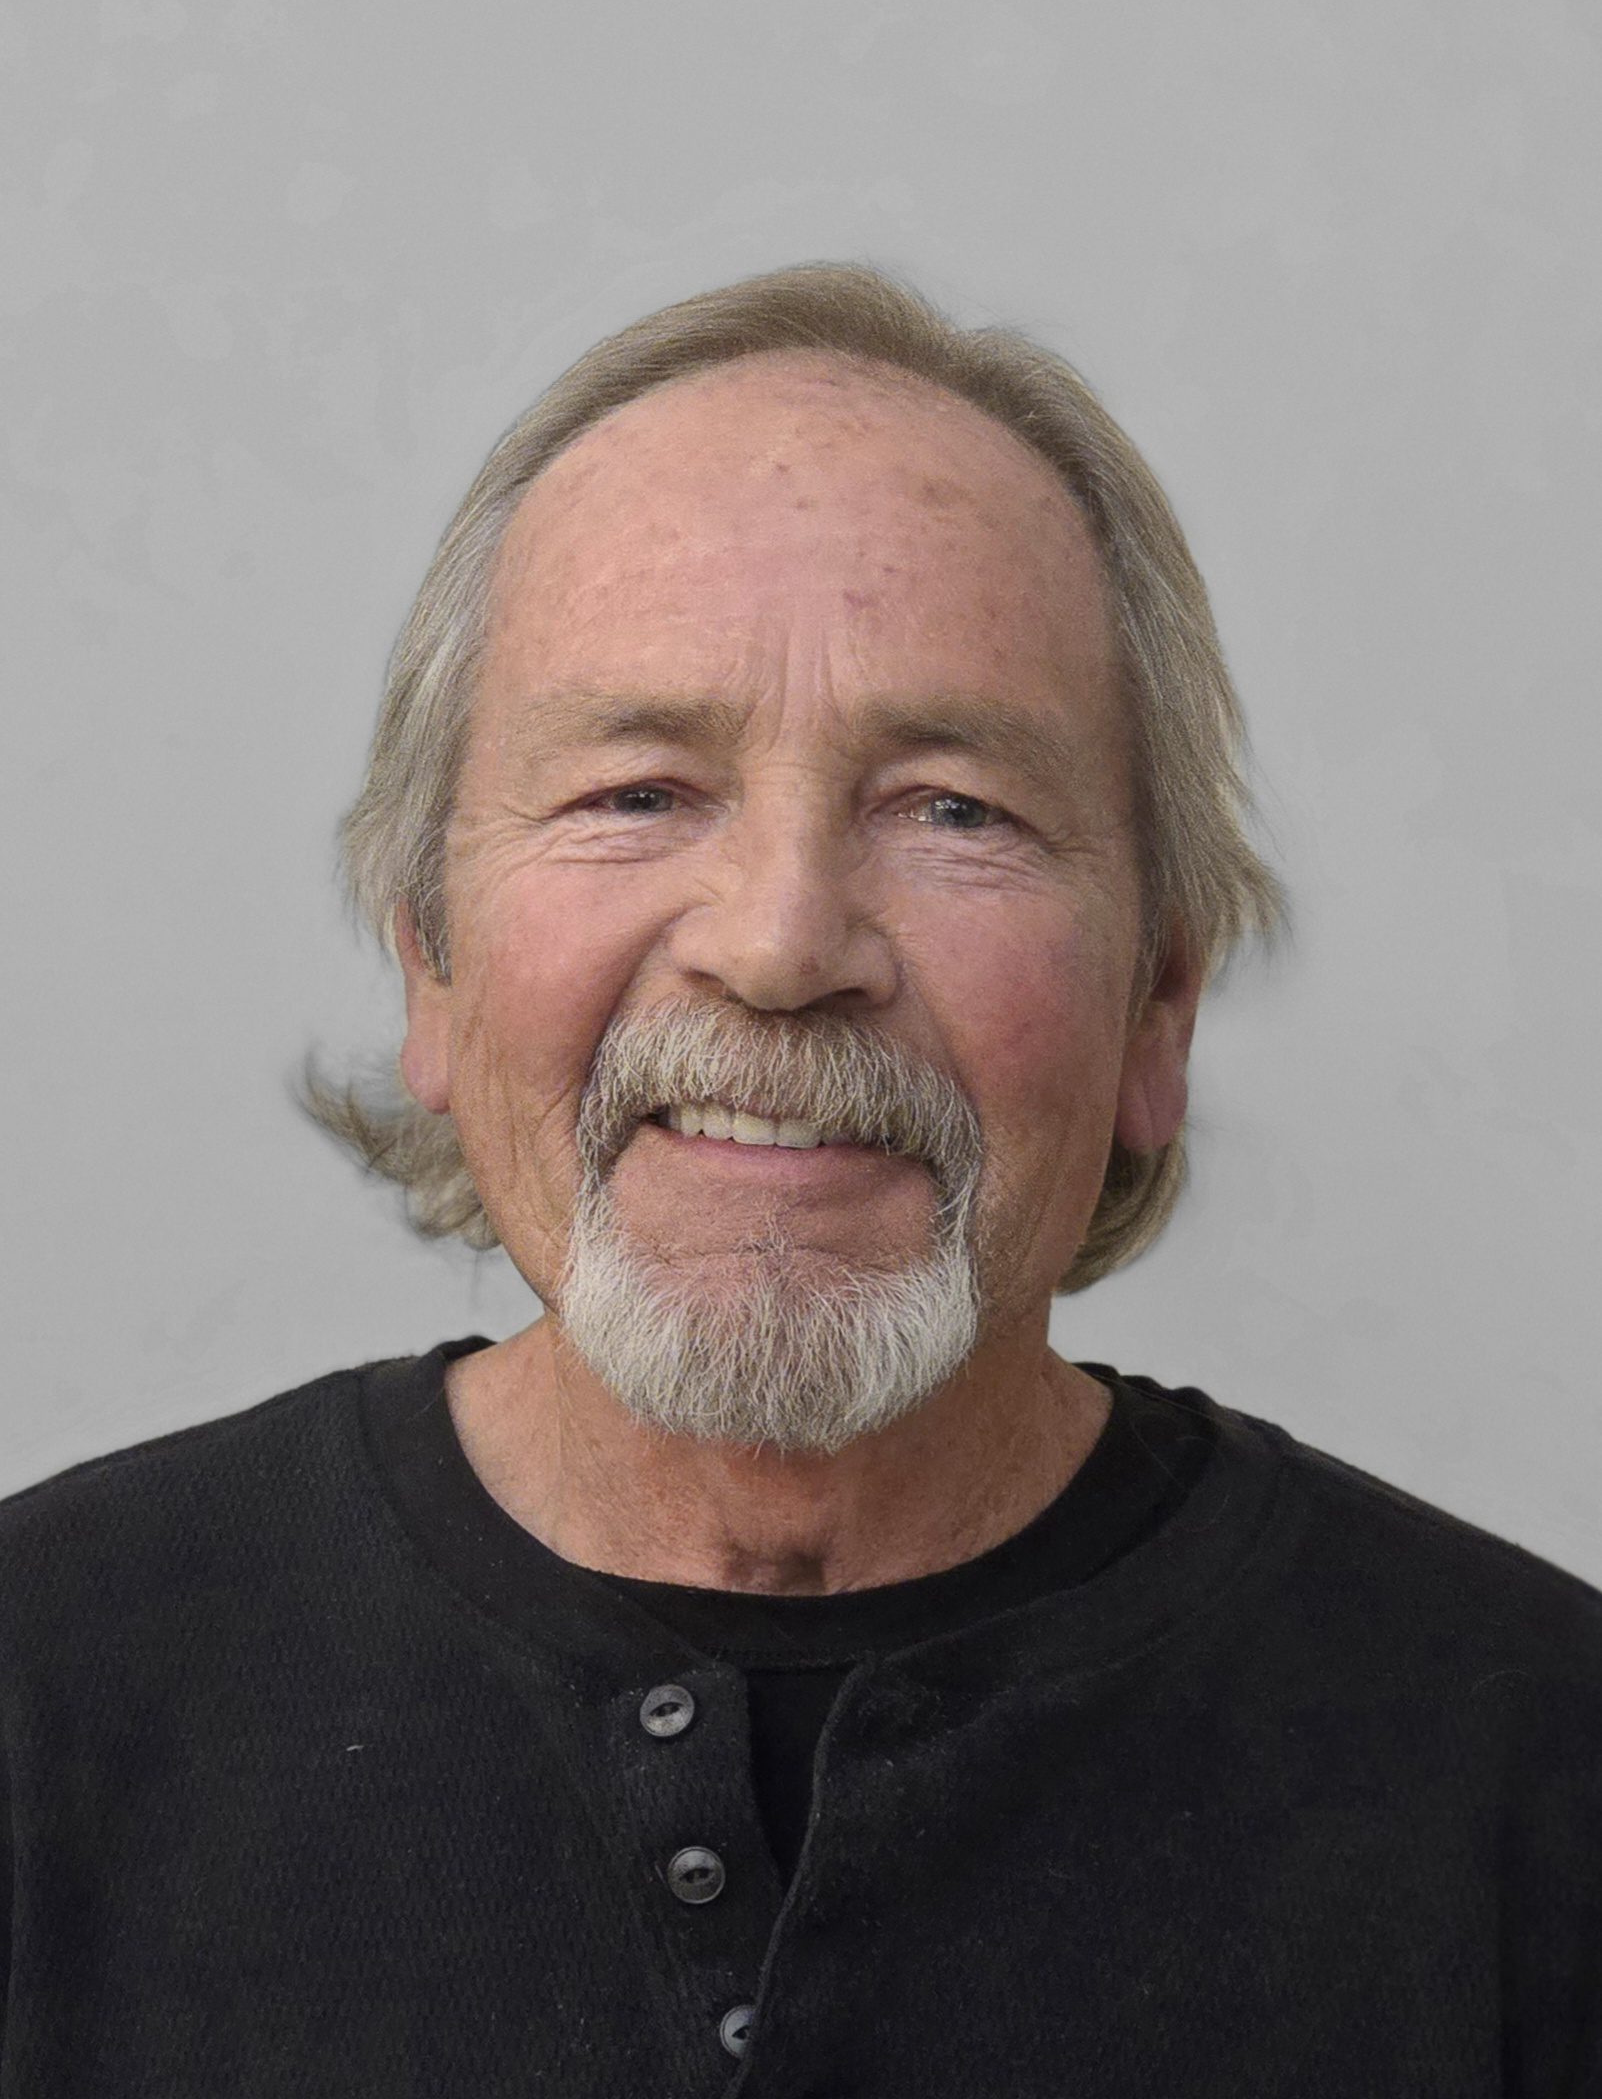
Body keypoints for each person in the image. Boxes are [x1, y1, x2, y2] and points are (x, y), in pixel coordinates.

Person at [2, 262, 1597, 2097]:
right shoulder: (44, 1698)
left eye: (954, 810)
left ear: (1158, 1000)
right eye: (635, 792)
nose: (776, 947)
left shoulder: (1538, 1775)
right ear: (429, 962)